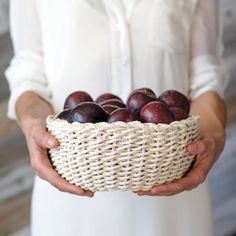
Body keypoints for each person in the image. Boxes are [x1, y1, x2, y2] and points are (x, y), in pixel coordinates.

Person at [5, 0, 228, 235]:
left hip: (173, 194)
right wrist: (32, 122)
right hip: (69, 193)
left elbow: (206, 76)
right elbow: (28, 73)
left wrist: (213, 129)